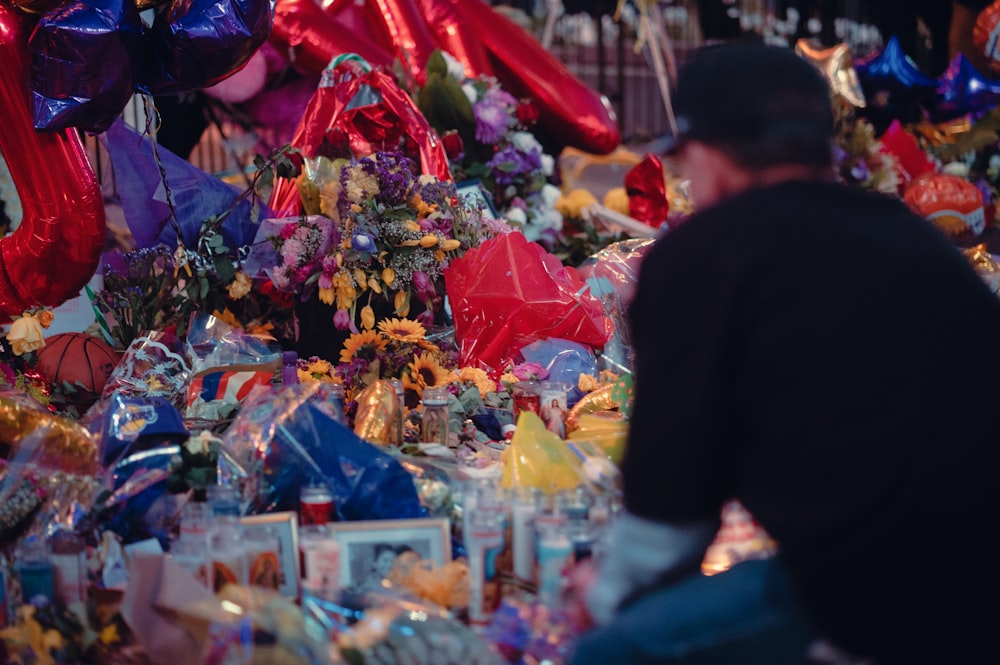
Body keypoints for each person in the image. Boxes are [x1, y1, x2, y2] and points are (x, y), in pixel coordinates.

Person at [568, 41, 999, 665]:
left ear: (707, 154)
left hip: (888, 588)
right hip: (966, 562)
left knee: (608, 652)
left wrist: (606, 593)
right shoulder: (911, 239)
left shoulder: (703, 257)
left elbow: (672, 504)